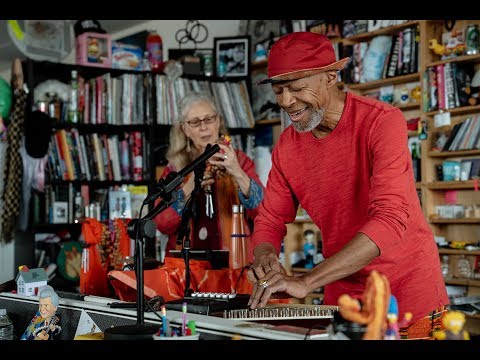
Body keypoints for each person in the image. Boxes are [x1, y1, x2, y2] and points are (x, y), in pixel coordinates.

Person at [247, 31, 449, 339]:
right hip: (343, 299)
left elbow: (390, 220)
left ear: (330, 76)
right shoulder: (287, 147)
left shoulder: (382, 122)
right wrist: (265, 257)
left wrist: (305, 281)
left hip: (408, 296)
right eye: (279, 90)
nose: (287, 101)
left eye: (297, 87)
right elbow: (270, 219)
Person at [154, 91, 264, 259]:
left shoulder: (240, 160)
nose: (203, 127)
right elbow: (162, 223)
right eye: (195, 122)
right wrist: (189, 187)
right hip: (186, 267)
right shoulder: (175, 169)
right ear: (185, 129)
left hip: (234, 261)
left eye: (209, 119)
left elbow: (264, 212)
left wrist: (237, 172)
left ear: (218, 121)